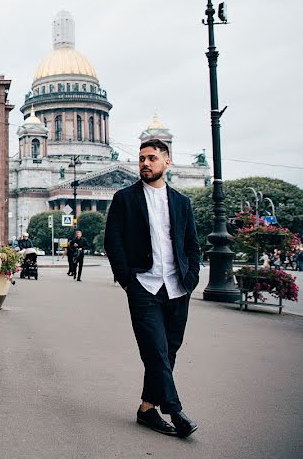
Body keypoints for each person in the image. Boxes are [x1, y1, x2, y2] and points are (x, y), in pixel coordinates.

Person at [104, 138, 201, 439]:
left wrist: (192, 278)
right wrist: (126, 280)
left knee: (168, 351)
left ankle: (147, 408)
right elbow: (113, 240)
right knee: (155, 350)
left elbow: (192, 246)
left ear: (166, 162)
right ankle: (175, 410)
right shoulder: (125, 198)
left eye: (152, 158)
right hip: (143, 287)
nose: (145, 163)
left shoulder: (183, 202)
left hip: (176, 288)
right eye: (141, 158)